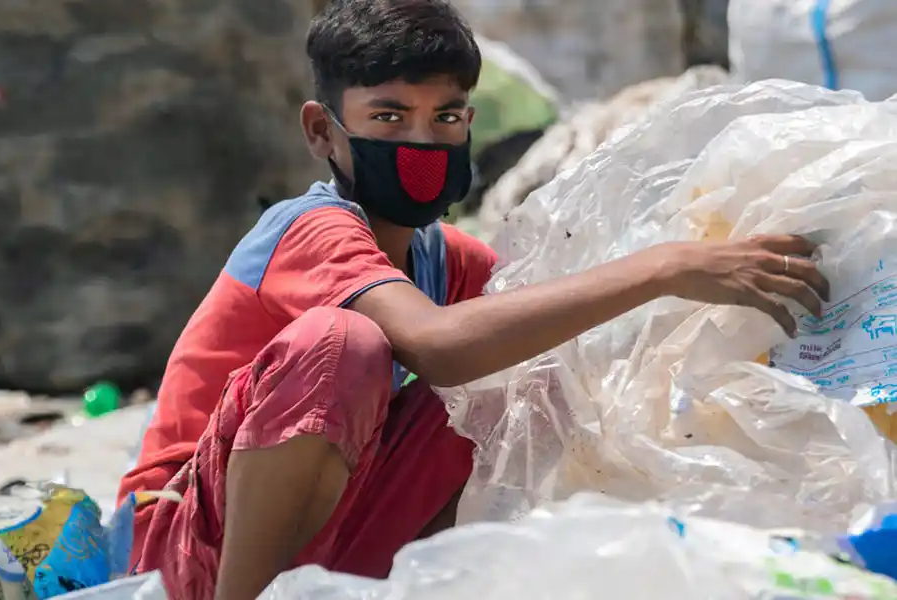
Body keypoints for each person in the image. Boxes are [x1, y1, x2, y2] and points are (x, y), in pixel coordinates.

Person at [118, 1, 830, 598]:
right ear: (321, 132)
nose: (423, 140)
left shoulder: (448, 258)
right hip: (184, 547)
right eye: (390, 118)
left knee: (537, 370)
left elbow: (543, 324)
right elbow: (438, 345)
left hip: (331, 539)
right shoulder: (309, 229)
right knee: (343, 345)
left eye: (447, 117)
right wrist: (665, 265)